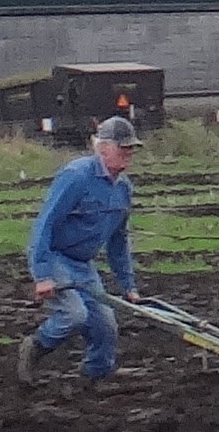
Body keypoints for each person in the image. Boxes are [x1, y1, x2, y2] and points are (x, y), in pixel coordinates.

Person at [18, 115, 146, 387]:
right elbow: (45, 223)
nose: (128, 153)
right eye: (123, 147)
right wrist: (43, 275)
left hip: (82, 264)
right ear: (103, 148)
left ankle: (94, 377)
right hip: (55, 255)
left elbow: (118, 241)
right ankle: (35, 346)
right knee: (74, 314)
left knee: (105, 324)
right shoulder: (76, 176)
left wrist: (128, 286)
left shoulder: (124, 189)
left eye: (131, 148)